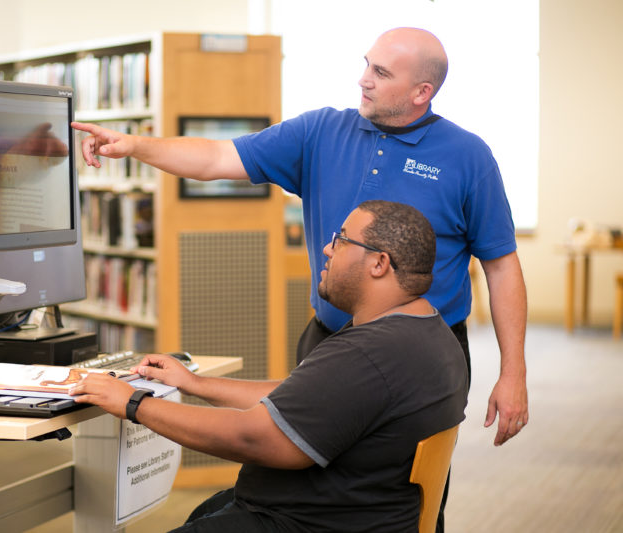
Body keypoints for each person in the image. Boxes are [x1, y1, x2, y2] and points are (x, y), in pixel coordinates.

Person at [71, 27, 527, 449]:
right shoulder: (320, 131)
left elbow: (501, 266)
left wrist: (513, 372)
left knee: (397, 492)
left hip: (419, 355)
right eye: (367, 64)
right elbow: (214, 159)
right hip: (329, 340)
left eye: (380, 72)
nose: (362, 79)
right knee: (300, 472)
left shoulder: (468, 156)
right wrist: (133, 145)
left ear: (421, 92)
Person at [69, 200, 468, 532]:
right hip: (354, 512)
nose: (327, 249)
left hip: (308, 523)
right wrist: (195, 384)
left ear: (379, 263)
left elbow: (254, 438)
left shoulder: (372, 353)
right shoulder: (425, 330)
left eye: (341, 240)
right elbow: (302, 398)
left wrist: (134, 403)